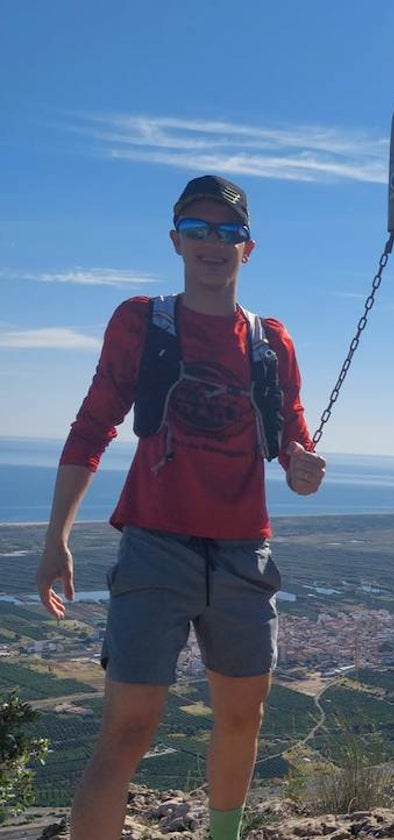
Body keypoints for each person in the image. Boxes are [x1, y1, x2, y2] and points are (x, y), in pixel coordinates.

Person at [35, 175, 327, 840]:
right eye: (198, 230)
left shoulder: (270, 342)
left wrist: (303, 467)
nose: (212, 242)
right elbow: (92, 427)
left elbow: (292, 442)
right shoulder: (142, 322)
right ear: (176, 241)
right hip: (154, 543)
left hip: (242, 552)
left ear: (248, 247)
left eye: (227, 232)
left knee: (242, 718)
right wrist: (57, 536)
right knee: (130, 727)